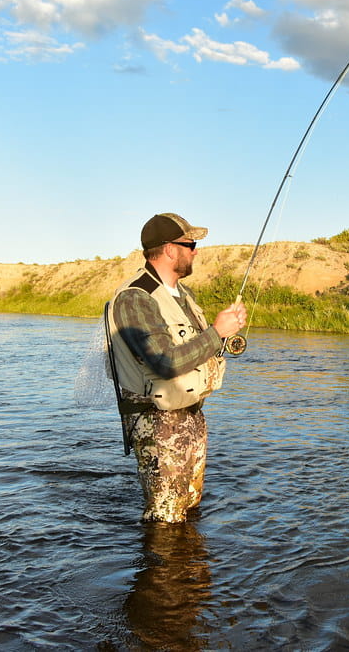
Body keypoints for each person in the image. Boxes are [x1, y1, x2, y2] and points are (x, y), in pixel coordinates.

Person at [106, 212, 247, 523]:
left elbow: (194, 349)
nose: (195, 251)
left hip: (190, 415)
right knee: (165, 518)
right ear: (170, 249)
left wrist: (224, 335)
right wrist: (216, 332)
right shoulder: (135, 297)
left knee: (189, 508)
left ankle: (190, 570)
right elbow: (165, 361)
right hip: (157, 423)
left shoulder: (183, 296)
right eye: (191, 244)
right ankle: (160, 571)